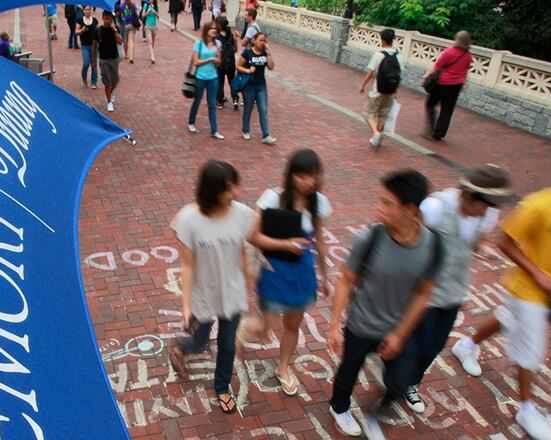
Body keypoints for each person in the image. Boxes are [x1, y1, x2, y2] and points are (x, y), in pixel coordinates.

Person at [451, 147, 551, 440]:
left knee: (506, 318)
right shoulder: (540, 205)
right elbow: (505, 242)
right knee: (532, 351)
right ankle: (526, 408)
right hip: (527, 289)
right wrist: (538, 274)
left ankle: (466, 345)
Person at [168, 161, 303, 414]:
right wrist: (186, 304)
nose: (236, 193)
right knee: (200, 341)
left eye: (235, 186)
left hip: (231, 290)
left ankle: (221, 387)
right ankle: (180, 349)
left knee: (227, 345)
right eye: (228, 189)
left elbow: (252, 240)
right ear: (211, 191)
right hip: (203, 293)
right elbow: (187, 266)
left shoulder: (241, 213)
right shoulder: (188, 220)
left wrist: (285, 245)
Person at [327, 169, 442, 438]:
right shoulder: (371, 238)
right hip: (361, 324)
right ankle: (339, 407)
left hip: (398, 329)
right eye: (379, 200)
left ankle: (374, 416)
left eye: (387, 204)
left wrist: (401, 334)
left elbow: (424, 292)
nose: (378, 209)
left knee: (401, 382)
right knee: (348, 373)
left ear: (410, 210)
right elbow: (345, 280)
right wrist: (334, 325)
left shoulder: (431, 246)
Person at [394, 164, 511, 415]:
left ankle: (410, 383)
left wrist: (484, 248)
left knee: (433, 346)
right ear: (469, 195)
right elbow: (409, 237)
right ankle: (398, 378)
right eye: (487, 204)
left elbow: (480, 239)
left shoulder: (488, 213)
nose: (489, 211)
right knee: (411, 342)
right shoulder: (436, 207)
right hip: (423, 292)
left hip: (453, 292)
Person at [237, 149, 332, 396]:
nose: (308, 182)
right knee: (266, 328)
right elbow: (252, 235)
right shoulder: (273, 198)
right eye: (302, 176)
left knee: (292, 324)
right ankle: (248, 327)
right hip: (274, 270)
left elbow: (319, 240)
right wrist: (286, 244)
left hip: (302, 273)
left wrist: (326, 274)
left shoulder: (319, 202)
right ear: (291, 175)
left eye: (313, 176)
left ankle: (283, 368)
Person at [422, 31, 473, 140]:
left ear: (457, 39)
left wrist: (426, 76)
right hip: (457, 85)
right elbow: (465, 71)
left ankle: (431, 129)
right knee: (447, 109)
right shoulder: (468, 55)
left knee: (430, 105)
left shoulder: (449, 52)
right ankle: (439, 133)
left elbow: (437, 67)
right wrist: (463, 83)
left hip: (442, 83)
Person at [358, 28, 402, 149]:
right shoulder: (399, 56)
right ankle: (376, 138)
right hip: (391, 91)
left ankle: (376, 133)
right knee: (383, 115)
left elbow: (370, 73)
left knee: (367, 113)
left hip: (378, 91)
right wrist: (395, 92)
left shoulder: (379, 54)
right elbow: (399, 76)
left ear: (382, 39)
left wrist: (362, 85)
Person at [237, 32, 276, 145]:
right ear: (254, 40)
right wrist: (248, 71)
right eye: (260, 40)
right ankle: (245, 130)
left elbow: (271, 67)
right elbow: (238, 66)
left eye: (264, 41)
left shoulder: (264, 53)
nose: (262, 43)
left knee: (263, 109)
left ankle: (266, 134)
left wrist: (268, 52)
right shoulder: (248, 52)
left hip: (261, 85)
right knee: (248, 109)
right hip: (249, 85)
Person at [187, 22, 223, 139]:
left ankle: (214, 130)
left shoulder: (218, 44)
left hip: (213, 77)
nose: (213, 30)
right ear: (206, 30)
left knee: (212, 103)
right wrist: (210, 59)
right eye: (211, 28)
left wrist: (217, 58)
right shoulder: (199, 43)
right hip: (200, 77)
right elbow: (196, 62)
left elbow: (218, 63)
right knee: (197, 100)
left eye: (215, 29)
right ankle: (191, 122)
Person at [93, 11, 123, 112]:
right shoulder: (98, 30)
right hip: (103, 59)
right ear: (102, 18)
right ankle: (109, 102)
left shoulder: (115, 29)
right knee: (107, 82)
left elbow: (120, 41)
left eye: (109, 19)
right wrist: (93, 60)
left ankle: (111, 92)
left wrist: (114, 29)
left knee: (115, 81)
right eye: (105, 18)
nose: (107, 21)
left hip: (114, 58)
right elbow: (94, 46)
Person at [215, 16, 238, 110]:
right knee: (232, 81)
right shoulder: (231, 35)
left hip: (220, 63)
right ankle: (235, 99)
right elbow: (235, 49)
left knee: (220, 82)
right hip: (231, 61)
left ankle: (220, 101)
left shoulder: (216, 37)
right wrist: (236, 40)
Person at [76, 6, 99, 88]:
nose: (88, 11)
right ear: (83, 11)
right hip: (85, 46)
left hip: (94, 46)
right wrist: (82, 30)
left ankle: (94, 82)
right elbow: (76, 32)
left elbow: (97, 32)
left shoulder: (95, 20)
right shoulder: (80, 21)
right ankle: (84, 77)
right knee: (86, 63)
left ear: (91, 10)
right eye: (86, 10)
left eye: (89, 9)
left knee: (94, 64)